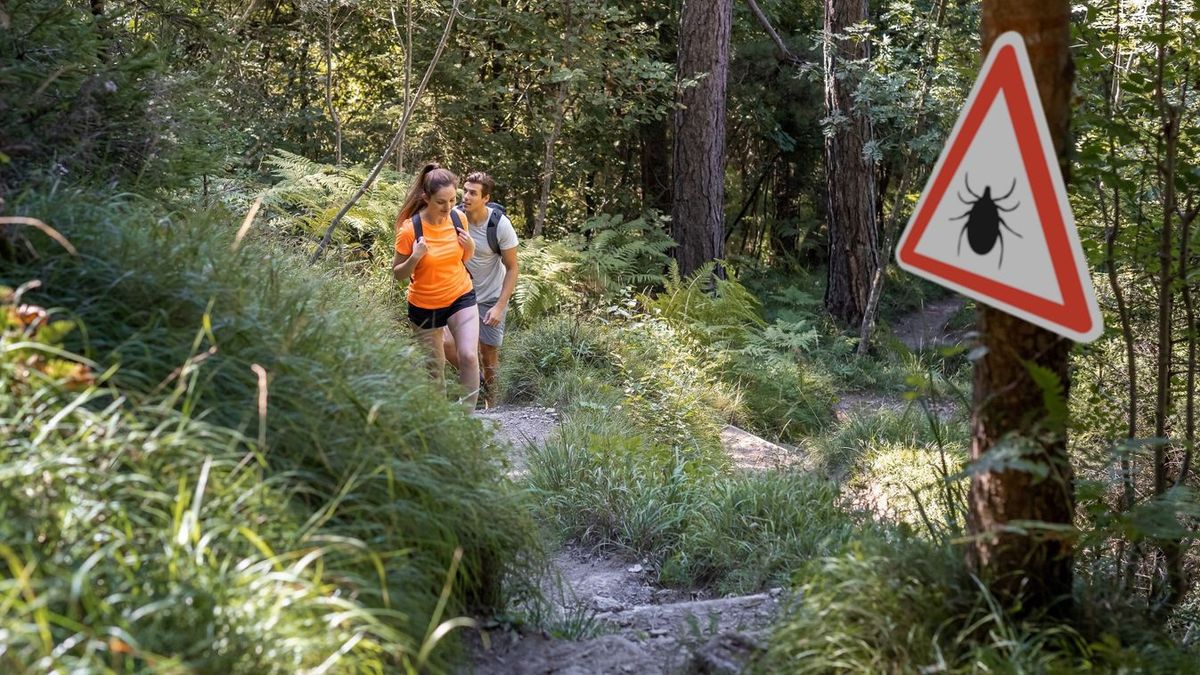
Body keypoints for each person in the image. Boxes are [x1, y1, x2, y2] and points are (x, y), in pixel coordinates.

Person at [392, 163, 480, 408]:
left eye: (453, 199)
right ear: (426, 198)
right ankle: (442, 427)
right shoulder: (410, 230)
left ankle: (467, 421)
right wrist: (415, 257)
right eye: (442, 202)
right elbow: (398, 274)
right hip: (424, 304)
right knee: (435, 371)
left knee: (469, 356)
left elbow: (462, 258)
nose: (448, 207)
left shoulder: (458, 218)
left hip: (460, 293)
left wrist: (470, 248)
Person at [443, 171, 519, 408]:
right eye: (464, 191)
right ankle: (474, 387)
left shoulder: (499, 225)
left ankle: (493, 407)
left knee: (489, 357)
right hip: (460, 296)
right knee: (448, 345)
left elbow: (513, 268)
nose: (466, 196)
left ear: (485, 198)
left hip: (491, 297)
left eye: (473, 193)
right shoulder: (453, 218)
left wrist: (499, 307)